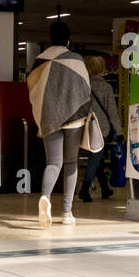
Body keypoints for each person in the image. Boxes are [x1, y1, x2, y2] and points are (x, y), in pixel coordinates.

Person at [27, 22, 92, 228]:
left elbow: (33, 87)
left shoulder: (40, 60)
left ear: (50, 38)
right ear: (68, 40)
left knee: (53, 162)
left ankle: (45, 197)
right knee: (71, 163)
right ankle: (66, 212)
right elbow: (85, 89)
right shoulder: (77, 59)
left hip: (49, 117)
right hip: (74, 117)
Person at [79, 55, 123, 203]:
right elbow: (112, 112)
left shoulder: (84, 86)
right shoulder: (106, 88)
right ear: (103, 70)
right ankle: (84, 189)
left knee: (98, 157)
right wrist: (119, 132)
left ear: (89, 69)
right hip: (102, 129)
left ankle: (104, 187)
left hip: (87, 127)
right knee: (95, 158)